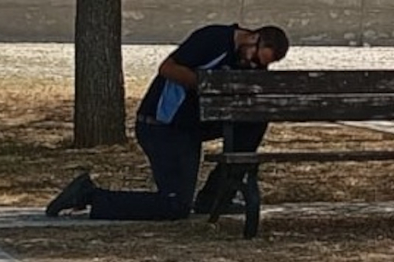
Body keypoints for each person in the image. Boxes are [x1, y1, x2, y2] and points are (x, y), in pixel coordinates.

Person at [45, 23, 290, 220]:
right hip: (163, 126)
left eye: (262, 65)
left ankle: (218, 196)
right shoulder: (213, 39)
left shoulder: (248, 64)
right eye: (255, 58)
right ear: (252, 38)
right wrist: (207, 85)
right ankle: (90, 195)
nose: (253, 65)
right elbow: (167, 68)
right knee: (174, 206)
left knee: (255, 119)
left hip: (193, 127)